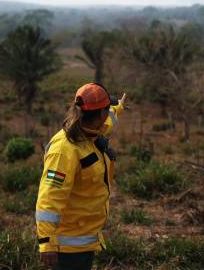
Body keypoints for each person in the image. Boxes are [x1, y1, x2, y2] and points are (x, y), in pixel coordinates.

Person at [35, 82, 126, 270]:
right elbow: (49, 198)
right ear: (100, 113)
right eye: (107, 109)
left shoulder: (91, 131)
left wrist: (118, 107)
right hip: (67, 247)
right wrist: (46, 242)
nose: (108, 114)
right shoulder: (64, 151)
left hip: (84, 239)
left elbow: (109, 120)